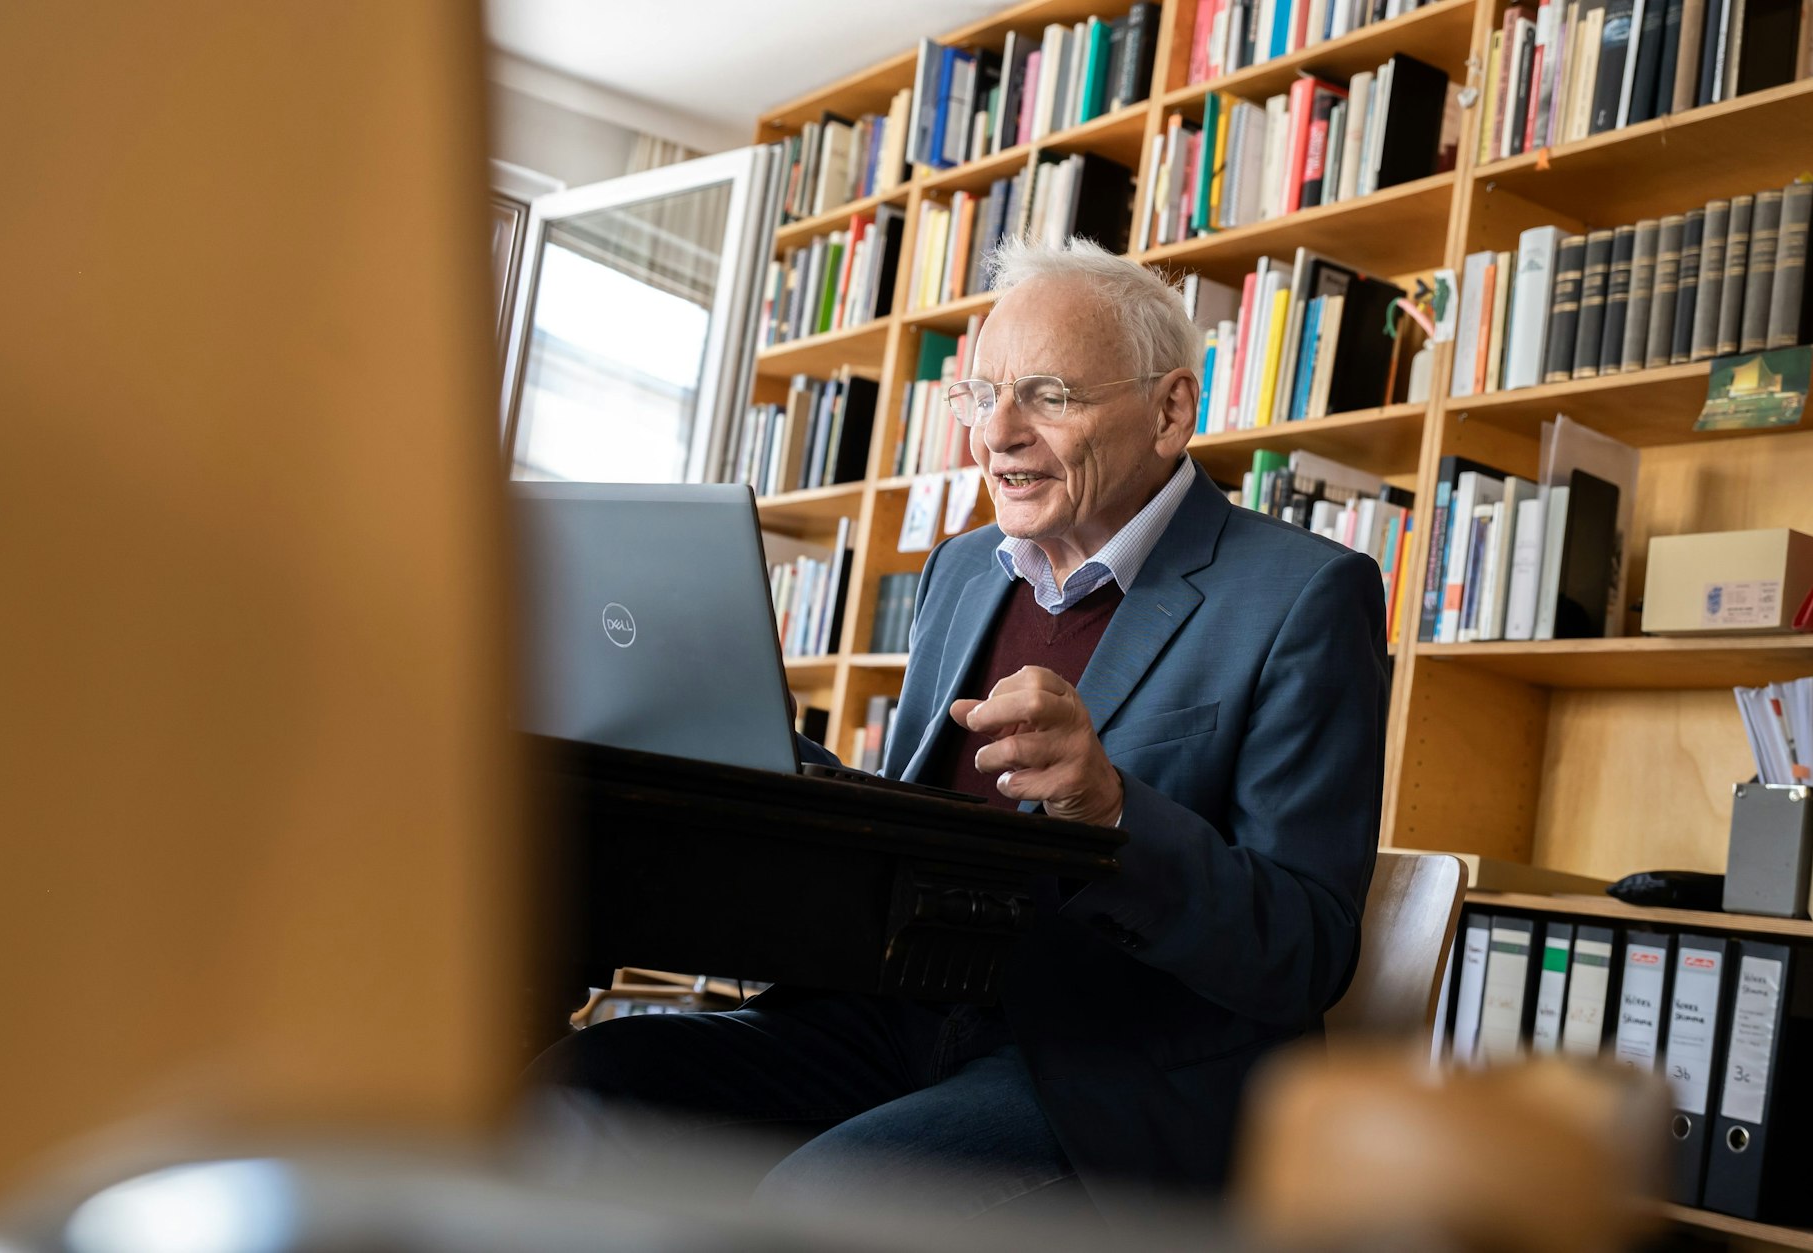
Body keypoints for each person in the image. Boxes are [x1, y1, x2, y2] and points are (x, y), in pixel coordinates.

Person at [528, 236, 1389, 1224]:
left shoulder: (1302, 594)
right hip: (898, 1017)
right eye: (978, 396)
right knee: (582, 1082)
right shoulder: (962, 567)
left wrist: (1108, 808)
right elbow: (923, 828)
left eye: (1046, 393)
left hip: (1111, 1074)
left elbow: (1304, 947)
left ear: (1168, 411)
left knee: (825, 1197)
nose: (997, 433)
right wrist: (759, 768)